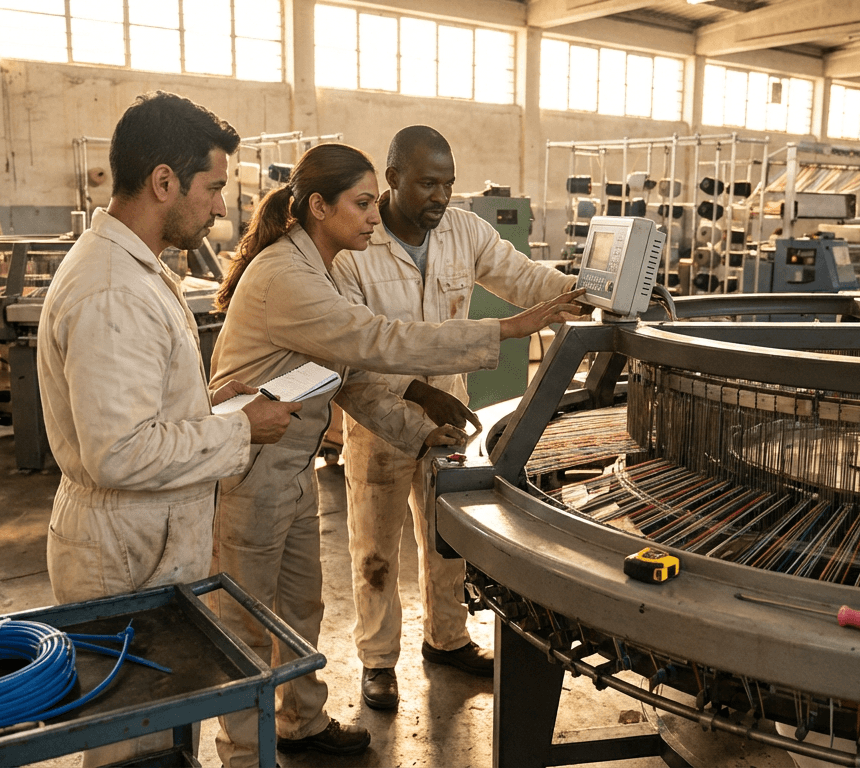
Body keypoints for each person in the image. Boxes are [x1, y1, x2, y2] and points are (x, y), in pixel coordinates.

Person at [209, 142, 583, 767]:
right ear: (322, 205)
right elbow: (374, 341)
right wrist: (512, 328)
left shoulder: (329, 259)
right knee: (253, 617)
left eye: (448, 183)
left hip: (294, 460)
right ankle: (246, 755)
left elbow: (350, 370)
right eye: (362, 205)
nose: (373, 217)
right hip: (254, 464)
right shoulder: (291, 275)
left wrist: (417, 427)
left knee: (302, 603)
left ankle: (302, 721)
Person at [36, 91, 299, 766]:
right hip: (123, 549)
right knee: (134, 747)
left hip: (143, 539)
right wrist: (242, 432)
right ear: (163, 182)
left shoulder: (130, 267)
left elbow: (135, 415)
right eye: (211, 187)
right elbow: (121, 451)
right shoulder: (113, 290)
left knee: (157, 734)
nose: (218, 206)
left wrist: (213, 406)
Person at [330, 125, 579, 710]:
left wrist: (592, 293)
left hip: (452, 416)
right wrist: (414, 392)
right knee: (375, 551)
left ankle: (446, 639)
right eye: (426, 183)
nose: (439, 197)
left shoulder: (465, 231)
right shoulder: (354, 250)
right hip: (381, 422)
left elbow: (525, 279)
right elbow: (352, 350)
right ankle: (377, 659)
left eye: (447, 184)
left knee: (448, 541)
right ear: (390, 180)